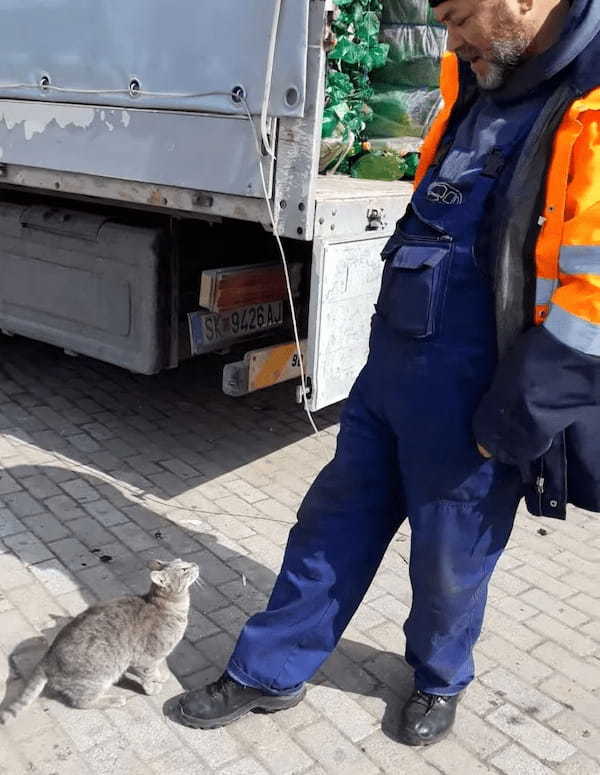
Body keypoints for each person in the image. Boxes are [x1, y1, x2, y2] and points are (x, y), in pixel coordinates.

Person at [173, 0, 600, 747]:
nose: (451, 36)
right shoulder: (477, 82)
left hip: (481, 393)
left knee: (449, 557)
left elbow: (593, 291)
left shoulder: (590, 99)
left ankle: (439, 677)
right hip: (395, 367)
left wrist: (520, 412)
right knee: (331, 520)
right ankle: (269, 667)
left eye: (461, 15)